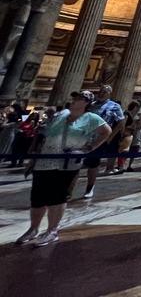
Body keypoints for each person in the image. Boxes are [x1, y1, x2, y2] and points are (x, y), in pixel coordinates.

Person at [16, 91, 111, 247]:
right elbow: (42, 133)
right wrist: (34, 153)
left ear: (87, 103)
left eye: (79, 99)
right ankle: (33, 228)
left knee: (57, 196)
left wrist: (89, 148)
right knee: (37, 197)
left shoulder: (91, 118)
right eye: (74, 97)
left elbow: (106, 132)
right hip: (45, 160)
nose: (74, 100)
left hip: (67, 163)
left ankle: (52, 231)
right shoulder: (62, 115)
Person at [81, 84, 126, 198]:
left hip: (99, 139)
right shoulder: (91, 105)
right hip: (84, 137)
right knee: (76, 163)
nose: (101, 94)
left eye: (104, 92)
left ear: (109, 94)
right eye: (100, 91)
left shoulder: (114, 106)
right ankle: (68, 191)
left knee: (93, 163)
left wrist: (110, 135)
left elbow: (121, 122)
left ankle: (90, 187)